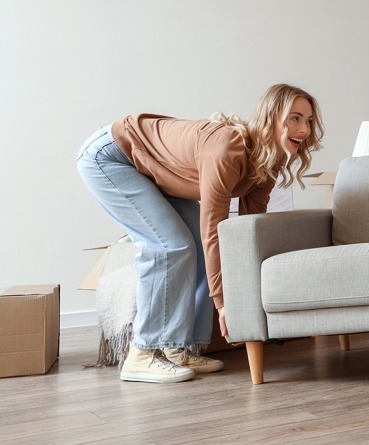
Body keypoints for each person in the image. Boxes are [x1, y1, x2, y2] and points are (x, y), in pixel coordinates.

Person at [76, 84, 324, 383]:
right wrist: (223, 304)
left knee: (197, 244)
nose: (305, 129)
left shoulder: (268, 162)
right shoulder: (227, 148)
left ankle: (178, 347)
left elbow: (243, 235)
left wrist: (245, 296)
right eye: (295, 118)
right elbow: (214, 230)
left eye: (309, 121)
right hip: (113, 157)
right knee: (171, 245)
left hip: (157, 171)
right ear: (271, 117)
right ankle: (142, 353)